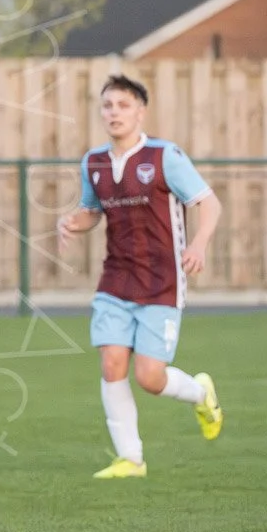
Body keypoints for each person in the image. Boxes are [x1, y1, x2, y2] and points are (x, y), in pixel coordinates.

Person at [57, 75, 225, 479]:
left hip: (161, 281)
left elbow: (209, 202)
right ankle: (130, 459)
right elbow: (93, 210)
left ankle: (202, 393)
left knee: (150, 377)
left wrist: (198, 244)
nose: (114, 112)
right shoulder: (93, 162)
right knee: (111, 363)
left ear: (140, 112)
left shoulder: (164, 156)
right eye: (107, 105)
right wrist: (72, 223)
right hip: (116, 280)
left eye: (123, 105)